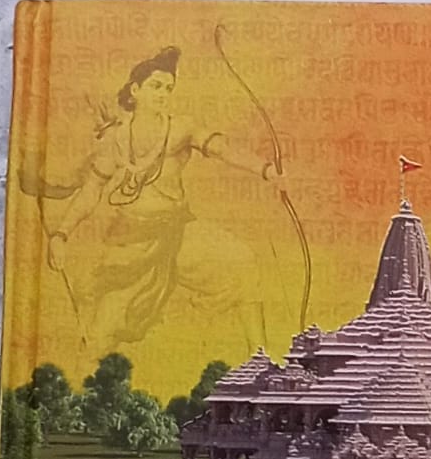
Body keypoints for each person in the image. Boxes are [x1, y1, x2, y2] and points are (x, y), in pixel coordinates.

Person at [42, 46, 279, 354]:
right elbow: (91, 192)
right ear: (135, 90)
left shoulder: (182, 128)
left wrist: (266, 169)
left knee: (242, 263)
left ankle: (261, 360)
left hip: (179, 232)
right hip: (131, 244)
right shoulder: (114, 140)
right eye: (156, 86)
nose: (163, 93)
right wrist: (61, 235)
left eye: (168, 88)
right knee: (102, 334)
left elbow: (222, 149)